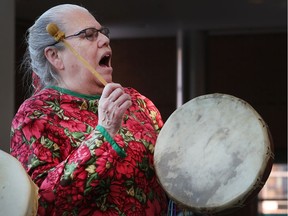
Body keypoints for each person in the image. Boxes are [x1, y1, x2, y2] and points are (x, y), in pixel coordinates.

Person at [10, 4, 168, 215]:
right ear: (55, 56)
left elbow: (171, 175)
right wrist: (104, 133)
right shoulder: (35, 115)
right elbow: (42, 205)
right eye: (89, 35)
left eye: (103, 33)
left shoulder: (138, 102)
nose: (105, 40)